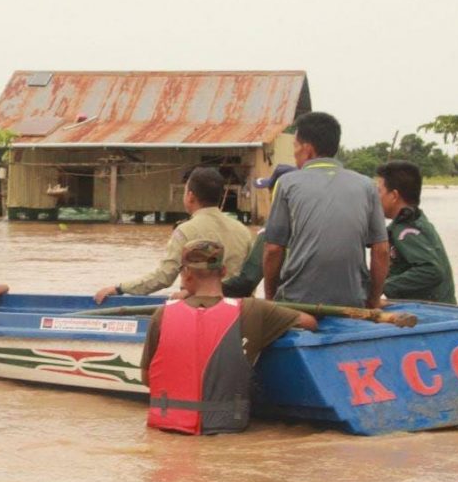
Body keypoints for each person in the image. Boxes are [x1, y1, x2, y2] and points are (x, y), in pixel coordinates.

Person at [142, 241, 317, 435]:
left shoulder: (162, 315)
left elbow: (147, 379)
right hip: (227, 429)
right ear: (224, 271)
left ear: (186, 274)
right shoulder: (253, 310)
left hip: (169, 432)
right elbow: (309, 322)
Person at [263, 112, 389, 308]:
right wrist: (372, 301)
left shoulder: (286, 183)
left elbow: (273, 249)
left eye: (295, 146)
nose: (294, 153)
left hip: (298, 302)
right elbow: (381, 251)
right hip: (353, 301)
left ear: (308, 149)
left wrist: (270, 302)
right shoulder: (367, 185)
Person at [94, 167, 253, 303]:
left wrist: (120, 288)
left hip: (199, 306)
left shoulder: (185, 231)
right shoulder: (243, 231)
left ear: (190, 196)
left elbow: (164, 277)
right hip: (239, 307)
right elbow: (247, 279)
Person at [375, 161, 457, 304]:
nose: (375, 198)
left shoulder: (406, 231)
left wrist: (382, 287)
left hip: (433, 312)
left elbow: (432, 270)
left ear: (394, 195)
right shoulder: (410, 222)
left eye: (379, 192)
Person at [222, 164, 296, 298]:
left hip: (288, 304)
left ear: (276, 194)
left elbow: (246, 282)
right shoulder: (311, 222)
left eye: (269, 190)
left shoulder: (272, 230)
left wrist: (208, 288)